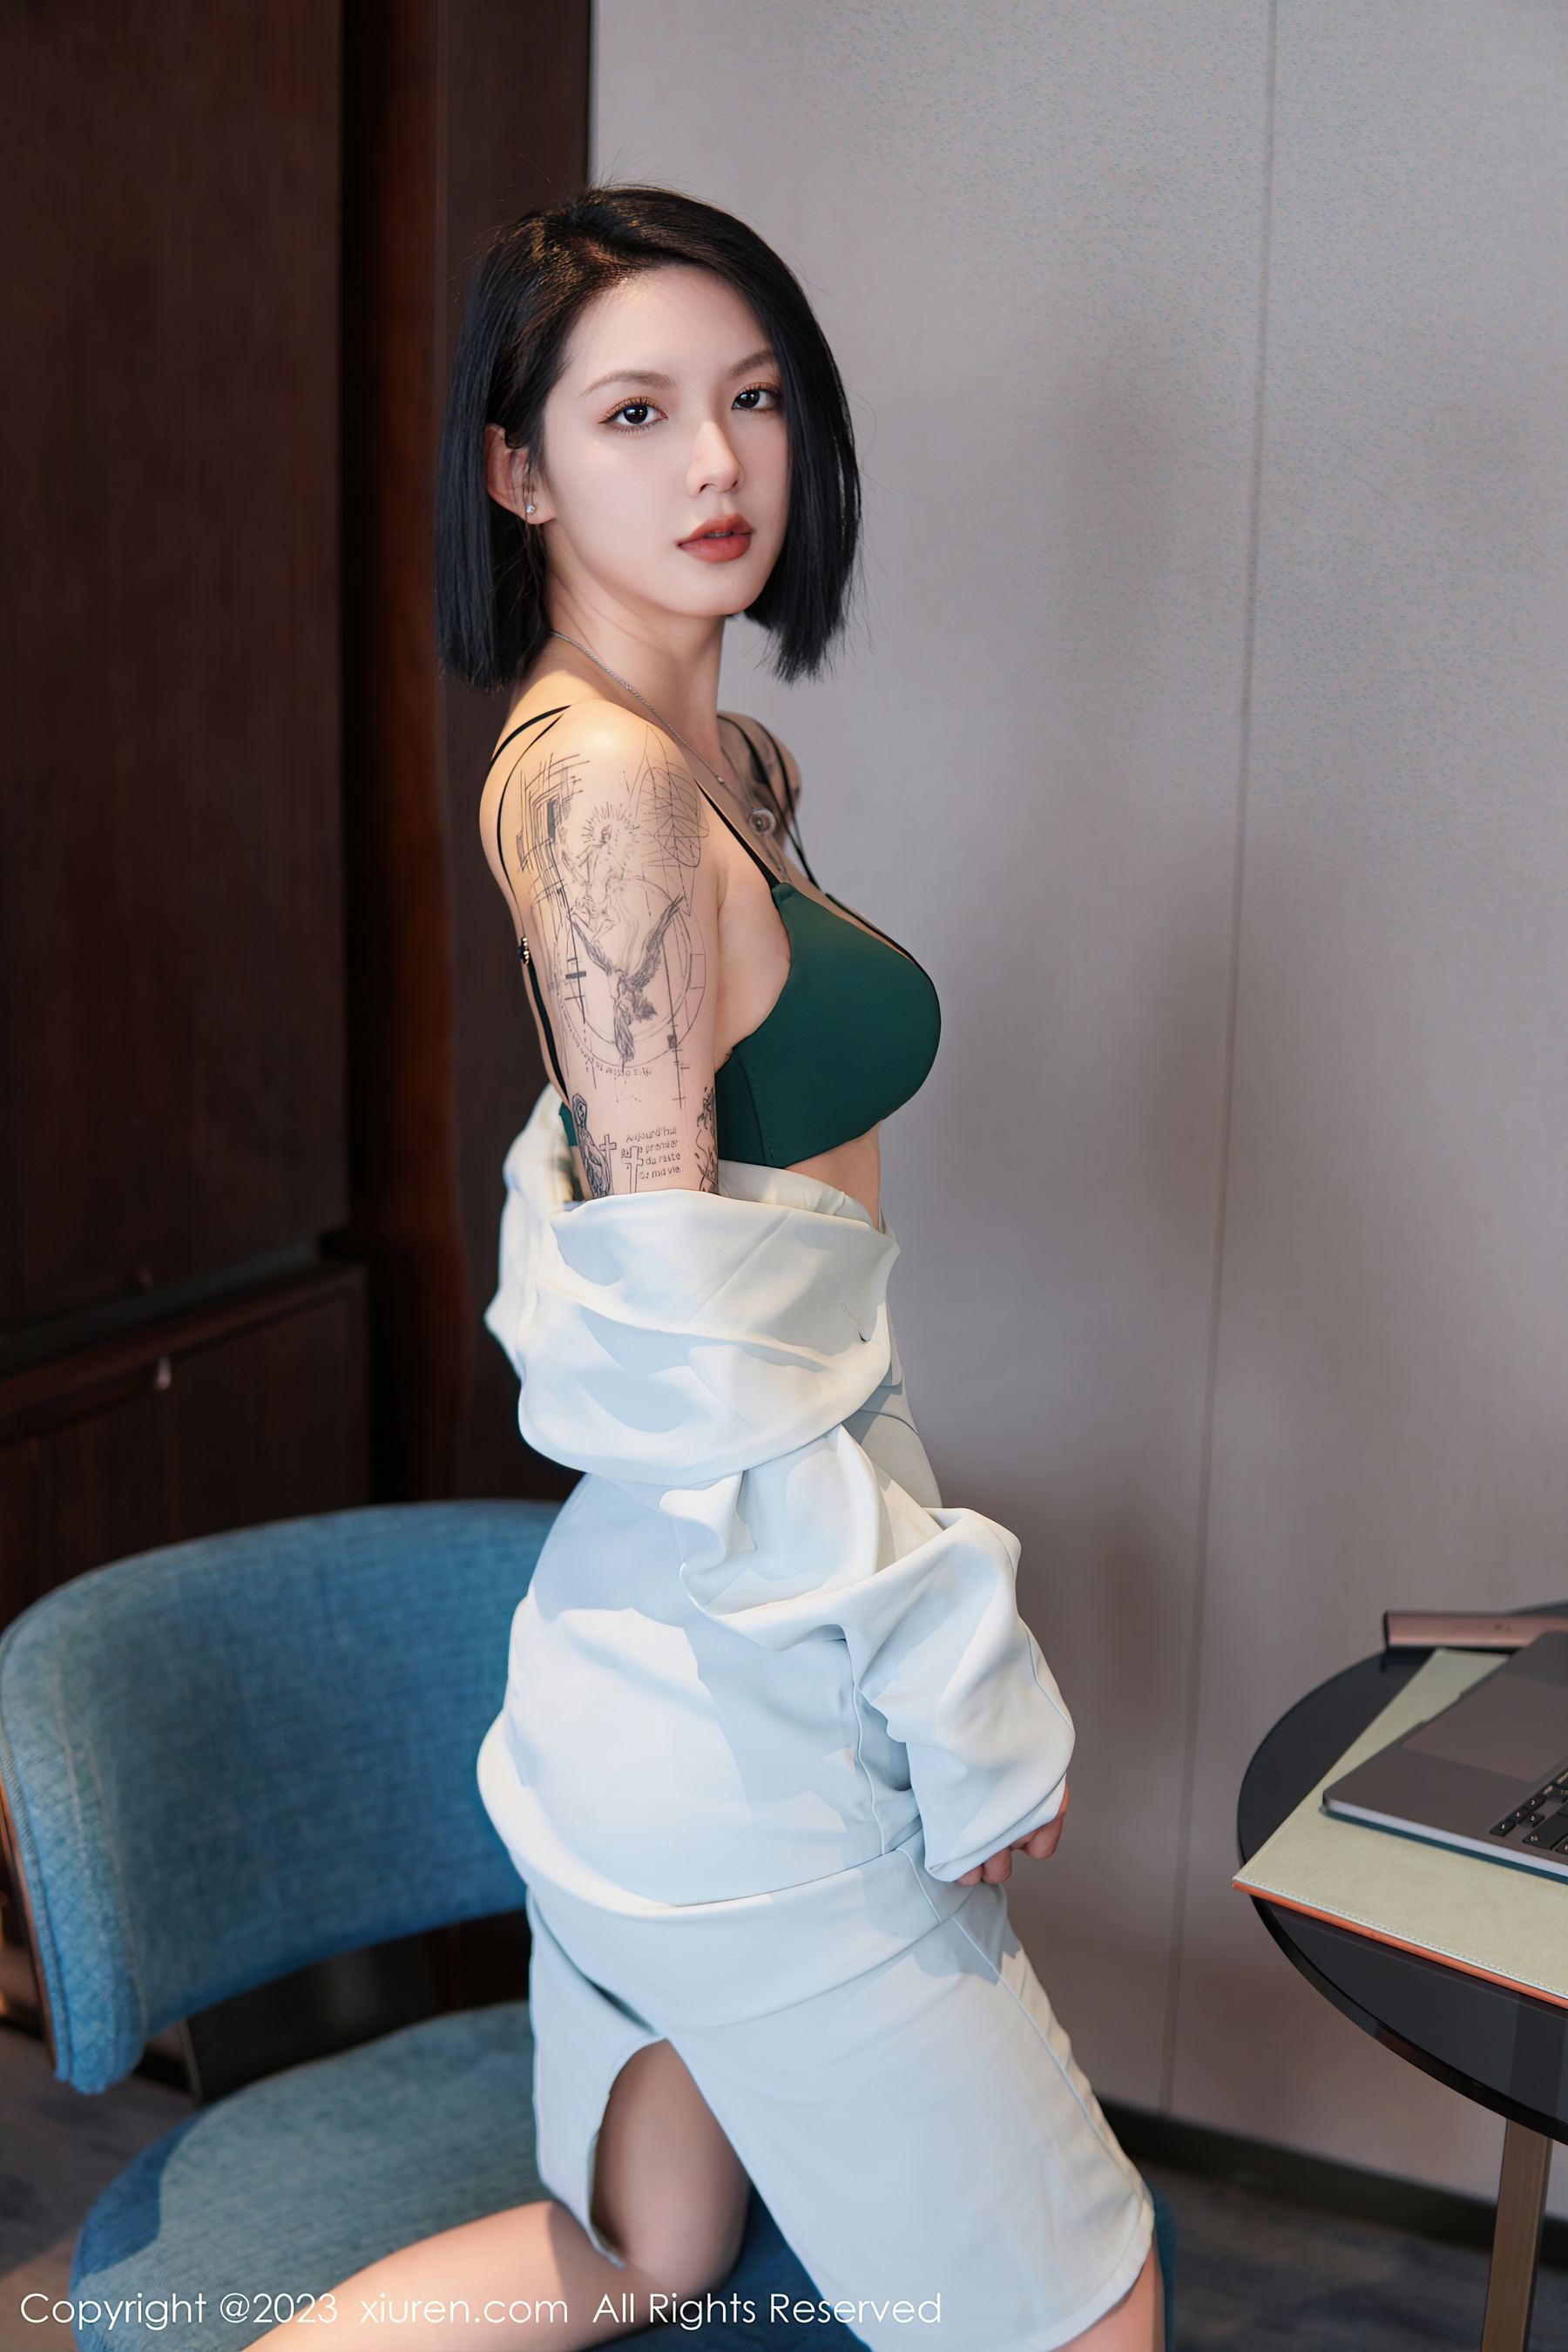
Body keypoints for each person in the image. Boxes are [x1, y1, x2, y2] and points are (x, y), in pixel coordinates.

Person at [251, 183, 1162, 2352]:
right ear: (519, 469)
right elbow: (689, 1363)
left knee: (641, 2249)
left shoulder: (723, 764)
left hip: (671, 1644)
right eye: (636, 413)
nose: (718, 463)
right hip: (740, 1703)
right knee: (1082, 2306)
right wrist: (956, 1685)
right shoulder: (605, 796)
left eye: (752, 400)